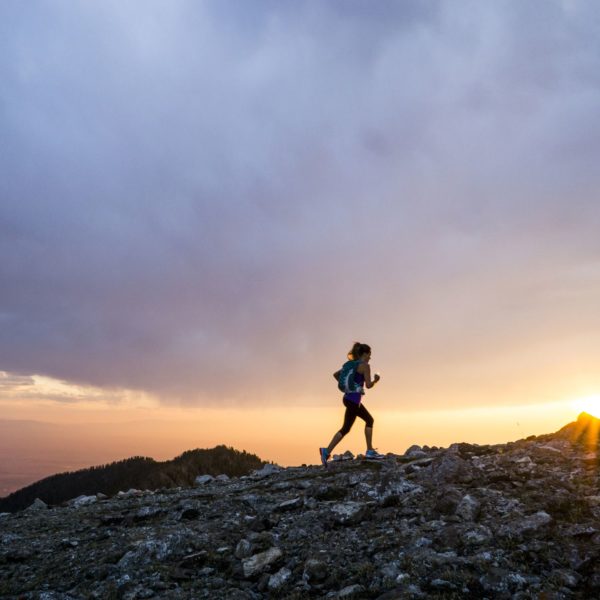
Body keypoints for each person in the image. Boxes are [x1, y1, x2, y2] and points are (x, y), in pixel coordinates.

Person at [319, 342, 383, 467]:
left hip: (348, 398)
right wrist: (376, 380)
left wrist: (349, 386)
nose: (370, 357)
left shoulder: (351, 365)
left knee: (346, 428)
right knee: (369, 420)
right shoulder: (365, 366)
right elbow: (369, 385)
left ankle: (326, 451)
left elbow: (336, 375)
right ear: (364, 354)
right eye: (369, 355)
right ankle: (370, 451)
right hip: (354, 400)